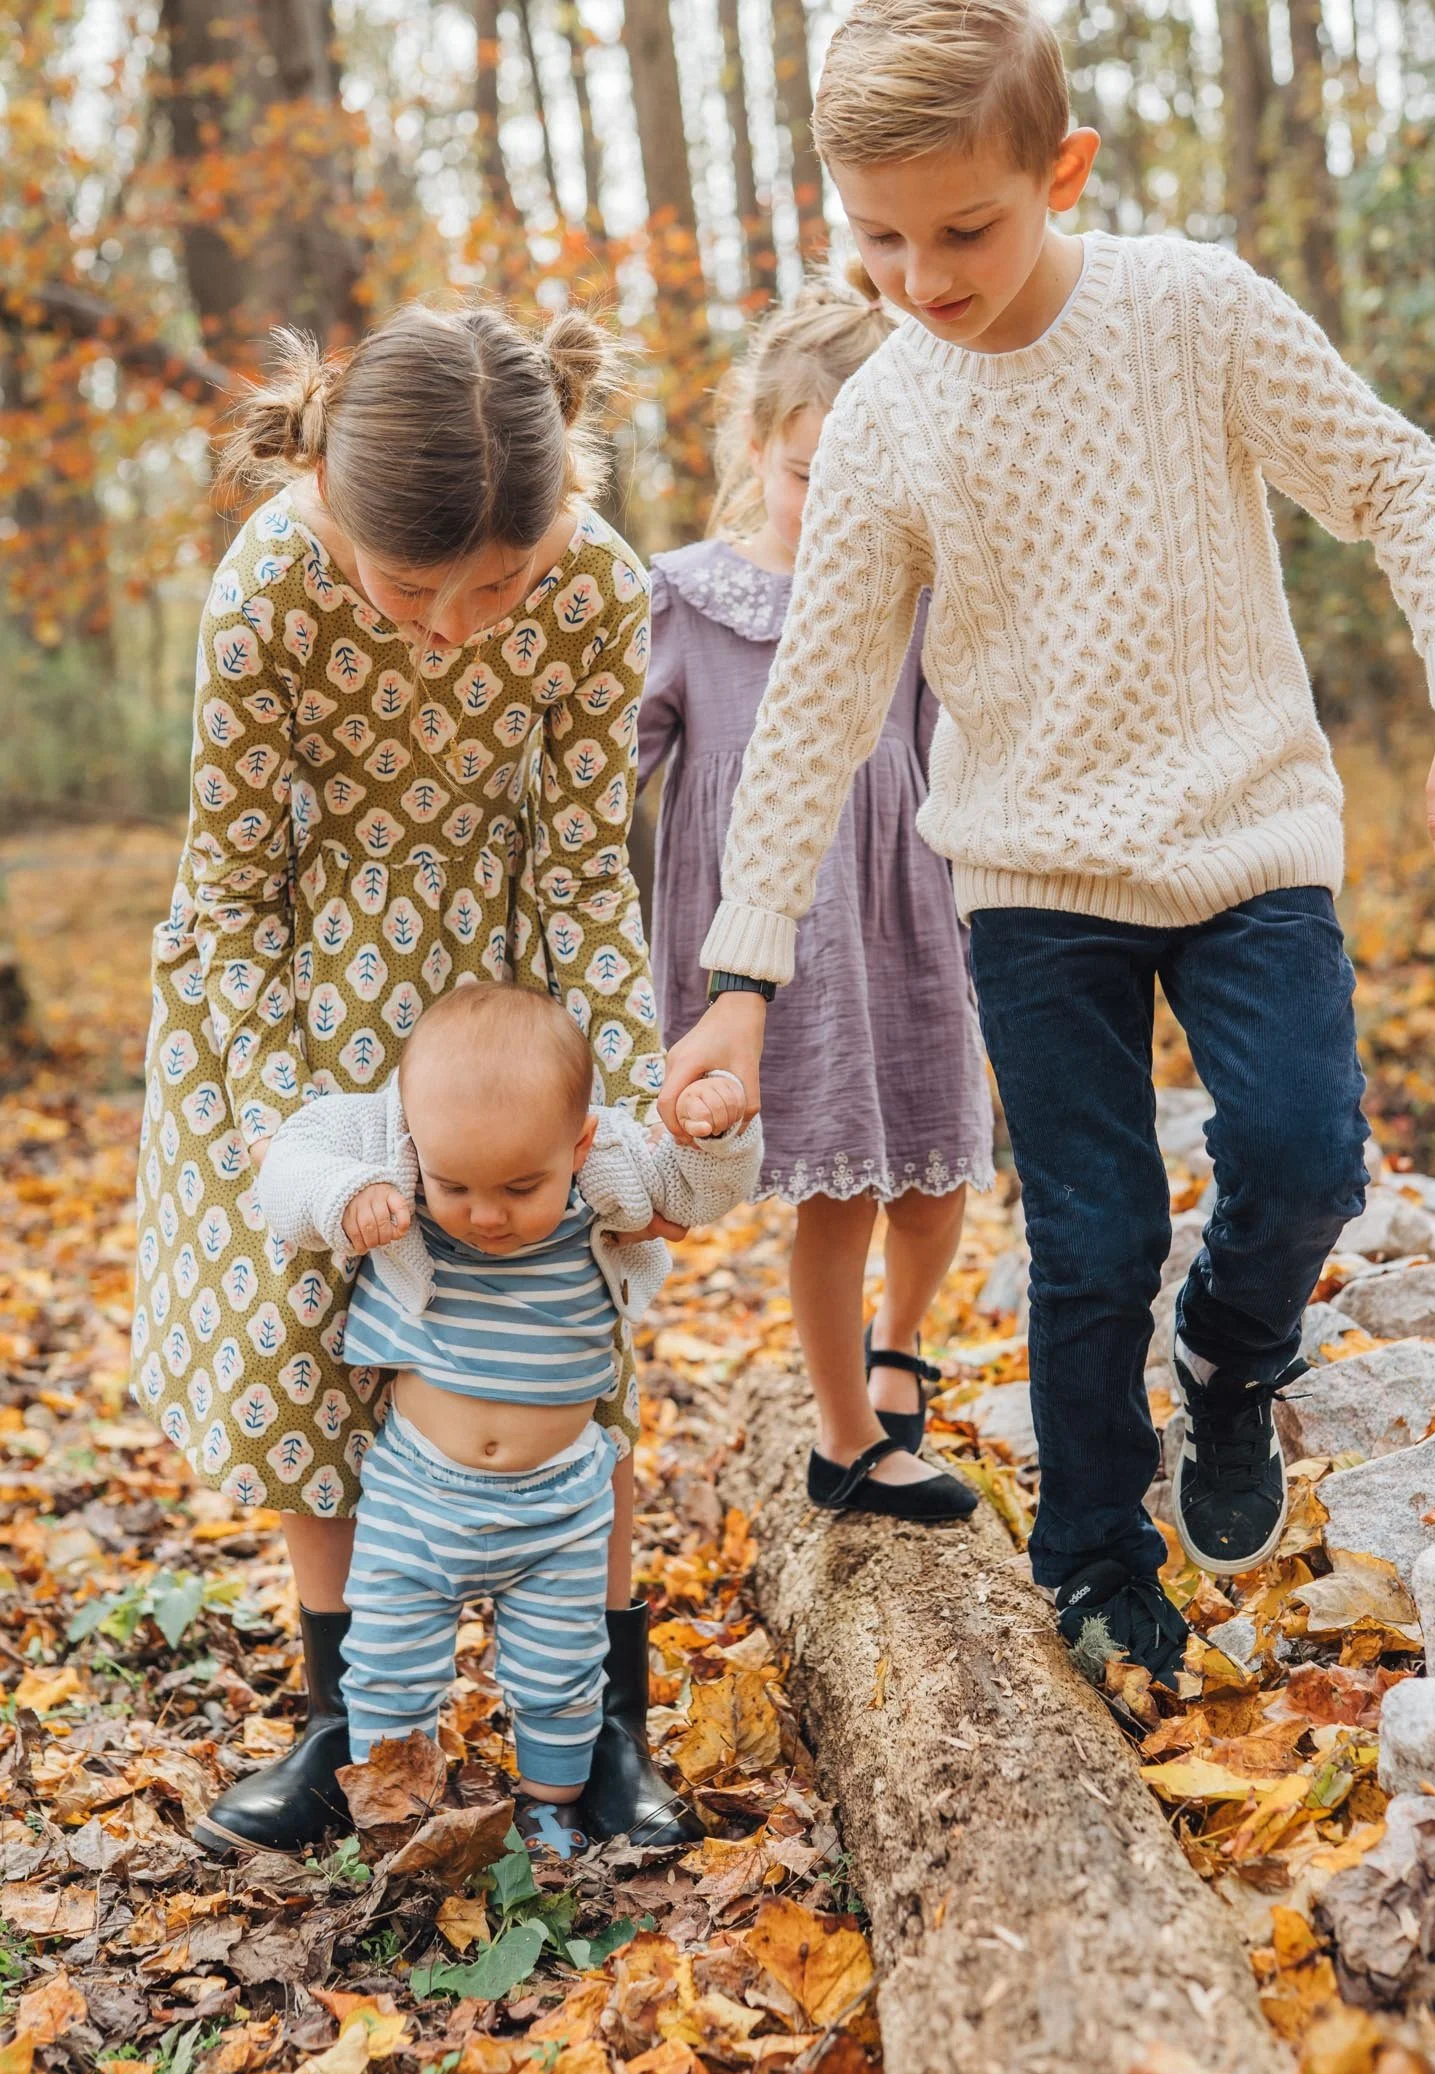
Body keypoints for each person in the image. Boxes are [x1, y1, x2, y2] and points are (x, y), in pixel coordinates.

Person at [660, 0, 1435, 1683]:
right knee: (1093, 1238)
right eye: (880, 239)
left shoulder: (1188, 312)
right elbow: (815, 713)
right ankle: (1100, 1554)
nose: (923, 275)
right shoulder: (889, 418)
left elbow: (1403, 482)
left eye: (964, 227)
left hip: (1250, 829)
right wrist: (741, 975)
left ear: (1064, 169)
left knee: (1305, 1159)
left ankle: (1232, 1355)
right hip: (1032, 877)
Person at [133, 297, 704, 1855]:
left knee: (561, 1314)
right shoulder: (266, 585)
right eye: (414, 591)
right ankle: (346, 1731)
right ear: (340, 508)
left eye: (495, 587)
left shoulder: (596, 584)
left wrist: (625, 1102)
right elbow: (235, 887)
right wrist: (290, 1136)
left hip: (505, 987)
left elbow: (591, 858)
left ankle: (604, 1735)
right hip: (300, 989)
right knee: (319, 1344)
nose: (455, 625)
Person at [250, 983, 760, 1858]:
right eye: (458, 1187)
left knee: (563, 1675)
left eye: (521, 1187)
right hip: (416, 1496)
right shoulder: (393, 1153)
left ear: (579, 1142)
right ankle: (393, 1810)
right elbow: (285, 1162)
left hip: (560, 1505)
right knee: (384, 1670)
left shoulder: (603, 1179)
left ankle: (548, 1806)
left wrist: (714, 1131)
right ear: (416, 1143)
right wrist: (346, 1195)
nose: (486, 1215)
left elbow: (700, 1187)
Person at [639, 276, 992, 1523]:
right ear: (758, 447)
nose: (833, 509)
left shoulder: (922, 591)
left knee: (939, 1172)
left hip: (908, 915)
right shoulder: (685, 601)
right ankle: (847, 1439)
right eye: (806, 476)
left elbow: (956, 746)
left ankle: (901, 1344)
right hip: (784, 939)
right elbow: (607, 767)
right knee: (840, 1190)